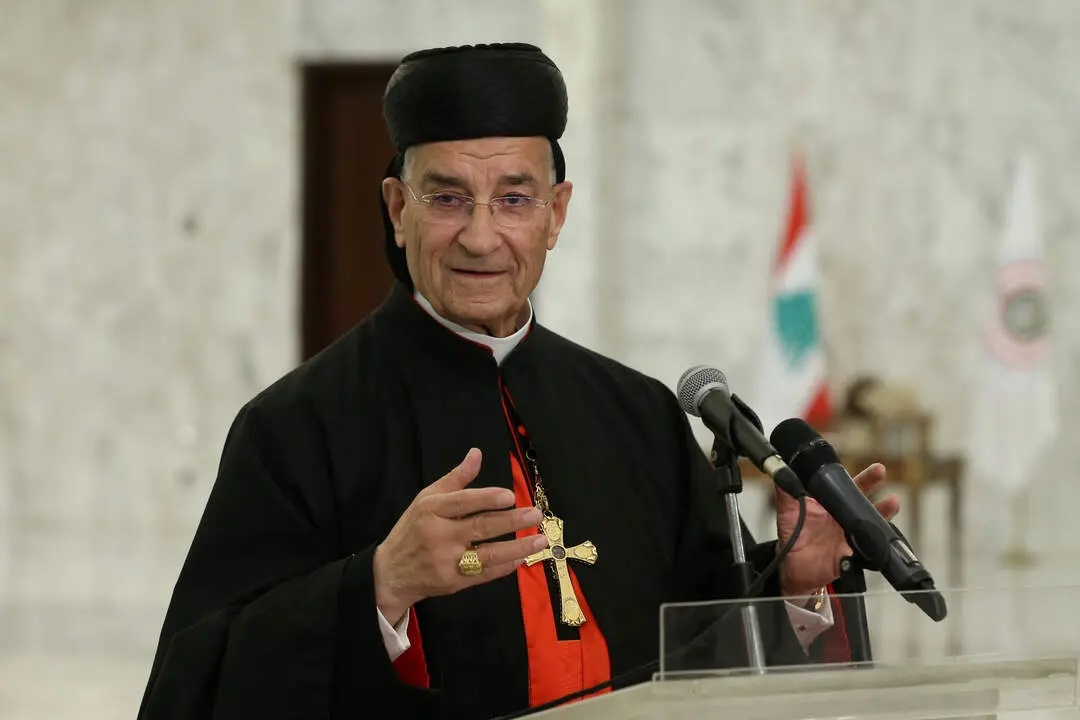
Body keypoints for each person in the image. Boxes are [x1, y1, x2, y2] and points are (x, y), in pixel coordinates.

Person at [137, 43, 899, 720]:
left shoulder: (637, 414)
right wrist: (379, 586)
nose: (480, 236)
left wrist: (796, 584)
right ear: (397, 209)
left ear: (556, 214)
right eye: (446, 198)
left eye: (513, 198)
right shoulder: (298, 426)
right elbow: (194, 684)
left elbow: (707, 650)